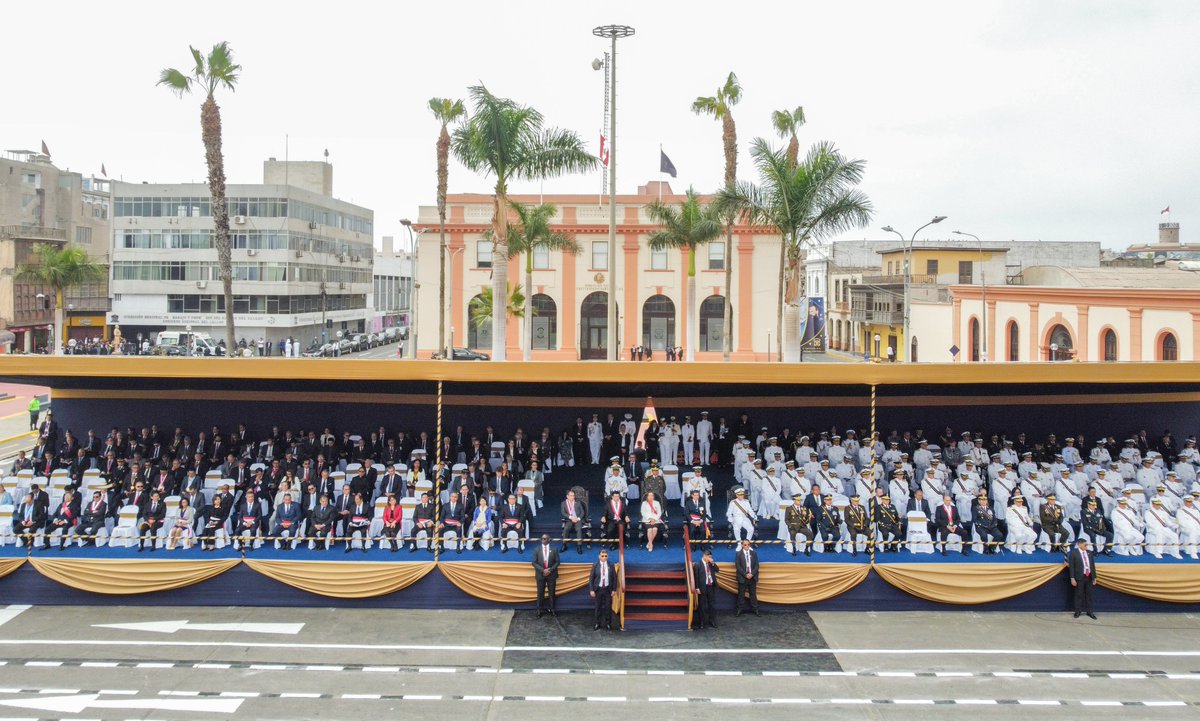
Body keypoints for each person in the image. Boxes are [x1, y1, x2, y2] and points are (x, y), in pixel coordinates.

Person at [1068, 537, 1098, 619]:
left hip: (1089, 576)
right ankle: (1078, 611)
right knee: (1079, 595)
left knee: (1089, 595)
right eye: (1085, 545)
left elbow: (1092, 565)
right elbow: (1071, 567)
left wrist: (1094, 577)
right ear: (1079, 544)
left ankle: (1090, 611)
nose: (1086, 546)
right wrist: (1072, 578)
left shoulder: (1089, 553)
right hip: (1079, 577)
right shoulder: (1074, 553)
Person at [589, 548, 617, 631]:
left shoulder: (611, 565)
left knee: (608, 607)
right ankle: (597, 623)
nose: (604, 557)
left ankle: (608, 623)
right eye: (602, 556)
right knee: (598, 607)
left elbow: (614, 578)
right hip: (598, 589)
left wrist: (614, 590)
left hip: (608, 589)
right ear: (599, 556)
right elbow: (591, 578)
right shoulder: (595, 565)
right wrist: (591, 590)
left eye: (605, 556)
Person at [532, 534, 559, 617]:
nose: (543, 540)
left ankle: (552, 609)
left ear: (549, 540)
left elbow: (557, 562)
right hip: (540, 574)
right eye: (542, 538)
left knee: (552, 593)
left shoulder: (554, 549)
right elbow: (534, 562)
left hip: (551, 574)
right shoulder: (536, 549)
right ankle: (539, 610)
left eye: (545, 538)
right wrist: (543, 570)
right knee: (540, 593)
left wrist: (549, 570)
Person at [692, 548, 719, 630]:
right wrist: (697, 588)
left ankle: (712, 620)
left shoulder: (711, 564)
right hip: (702, 587)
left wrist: (713, 563)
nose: (710, 558)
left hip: (711, 586)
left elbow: (717, 570)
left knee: (712, 605)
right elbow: (696, 577)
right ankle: (702, 622)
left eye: (711, 557)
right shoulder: (698, 565)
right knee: (702, 605)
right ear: (704, 556)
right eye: (709, 557)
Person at [734, 538, 760, 617]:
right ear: (742, 545)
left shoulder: (753, 553)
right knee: (741, 595)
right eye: (745, 545)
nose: (747, 546)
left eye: (748, 545)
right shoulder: (738, 554)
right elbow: (738, 566)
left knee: (753, 595)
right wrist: (746, 574)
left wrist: (752, 574)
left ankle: (756, 610)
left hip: (752, 577)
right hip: (743, 577)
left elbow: (757, 565)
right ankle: (739, 610)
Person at [560, 489, 585, 554]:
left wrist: (578, 518)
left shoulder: (578, 502)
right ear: (567, 496)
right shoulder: (563, 503)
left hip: (577, 520)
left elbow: (582, 512)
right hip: (569, 520)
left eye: (573, 495)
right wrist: (571, 517)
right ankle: (564, 545)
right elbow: (563, 513)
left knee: (578, 529)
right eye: (571, 495)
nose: (572, 497)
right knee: (566, 529)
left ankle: (579, 546)